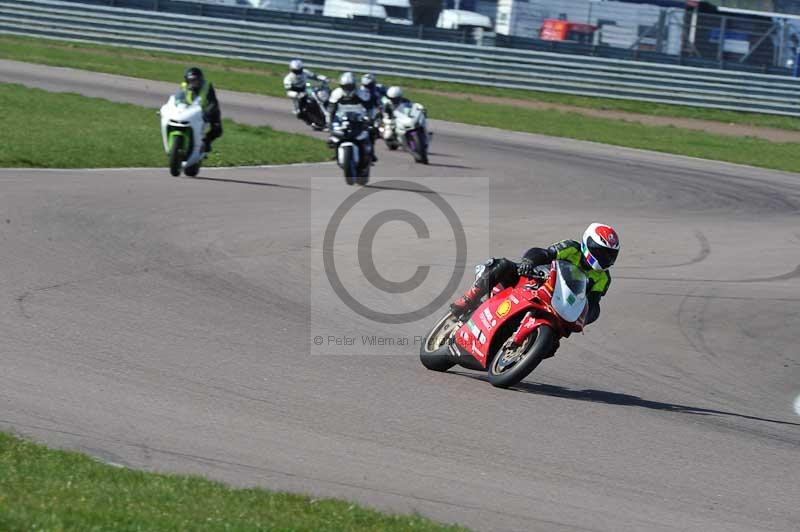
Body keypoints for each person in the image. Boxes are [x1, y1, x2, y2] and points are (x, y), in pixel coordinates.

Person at [450, 223, 620, 329]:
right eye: (600, 252)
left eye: (610, 255)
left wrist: (585, 318)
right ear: (587, 243)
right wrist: (528, 262)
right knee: (502, 264)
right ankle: (468, 299)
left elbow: (593, 303)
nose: (605, 258)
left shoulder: (603, 278)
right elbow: (543, 253)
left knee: (552, 346)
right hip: (537, 280)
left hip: (559, 306)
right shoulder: (571, 248)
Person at [328, 72, 377, 162]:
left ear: (354, 85)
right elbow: (331, 111)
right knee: (333, 135)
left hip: (359, 117)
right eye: (345, 86)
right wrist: (329, 123)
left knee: (371, 131)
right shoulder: (336, 93)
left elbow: (370, 108)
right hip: (342, 117)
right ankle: (336, 152)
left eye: (349, 86)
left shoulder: (362, 93)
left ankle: (371, 152)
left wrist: (370, 119)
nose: (347, 89)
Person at [182, 67, 222, 152]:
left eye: (196, 80)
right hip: (190, 111)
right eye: (191, 81)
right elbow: (178, 98)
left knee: (218, 129)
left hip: (206, 111)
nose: (194, 83)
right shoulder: (184, 87)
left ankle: (206, 142)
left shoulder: (207, 86)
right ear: (187, 81)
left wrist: (207, 113)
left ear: (200, 80)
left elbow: (213, 102)